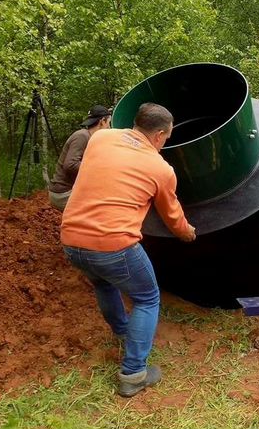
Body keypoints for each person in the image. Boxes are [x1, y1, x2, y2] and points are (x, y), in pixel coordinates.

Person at [60, 102, 196, 397]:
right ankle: (134, 373)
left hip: (71, 239)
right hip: (113, 244)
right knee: (147, 297)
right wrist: (187, 234)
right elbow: (173, 217)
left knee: (104, 284)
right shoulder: (160, 168)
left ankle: (124, 332)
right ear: (160, 135)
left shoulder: (100, 138)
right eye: (167, 138)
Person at [48, 105, 111, 211]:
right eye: (108, 123)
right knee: (103, 209)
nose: (109, 127)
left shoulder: (90, 137)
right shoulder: (82, 136)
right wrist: (96, 171)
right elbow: (70, 165)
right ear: (102, 121)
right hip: (63, 193)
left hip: (70, 190)